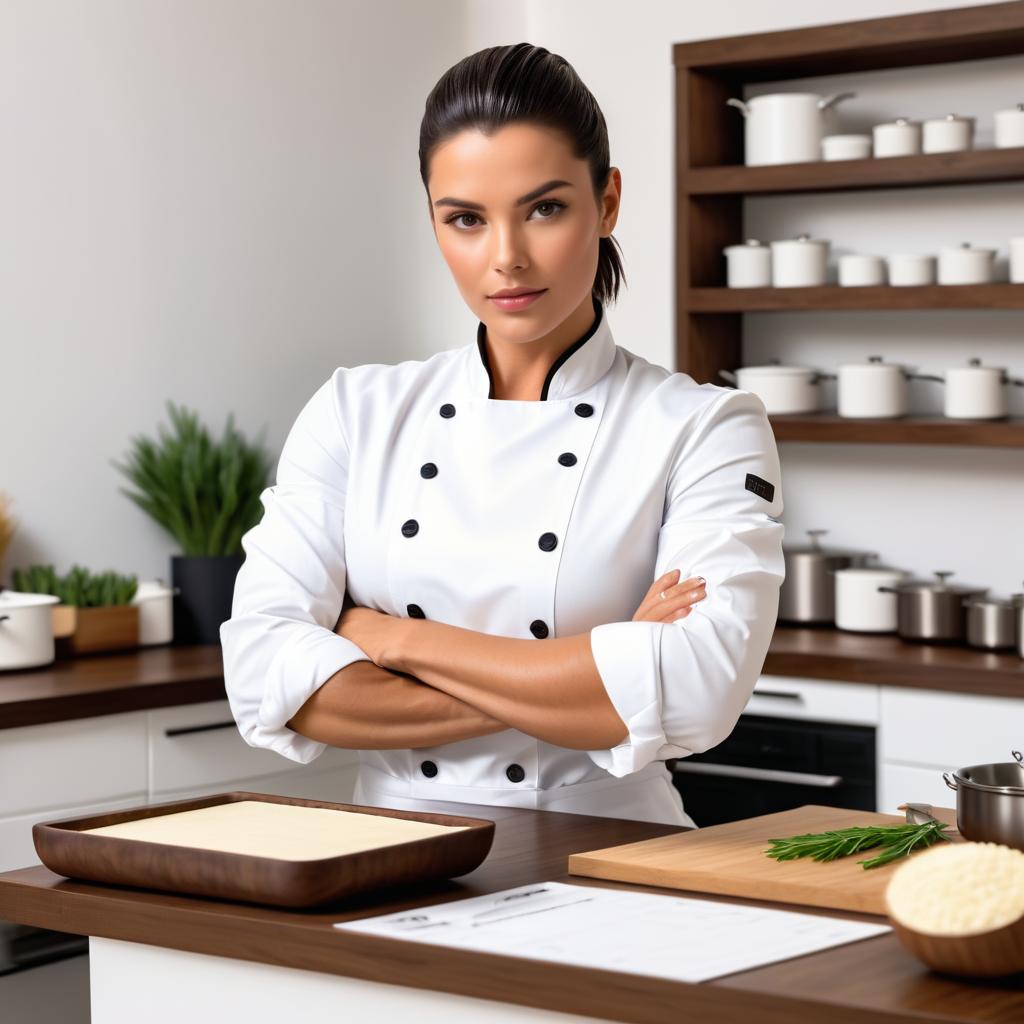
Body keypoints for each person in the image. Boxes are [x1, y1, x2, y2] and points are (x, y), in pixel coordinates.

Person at [219, 42, 785, 828]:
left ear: (608, 201)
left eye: (545, 208)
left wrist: (391, 639)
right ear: (434, 221)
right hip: (396, 849)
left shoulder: (704, 427)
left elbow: (694, 695)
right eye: (466, 220)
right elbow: (265, 675)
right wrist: (596, 672)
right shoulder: (357, 410)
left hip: (614, 851)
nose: (506, 259)